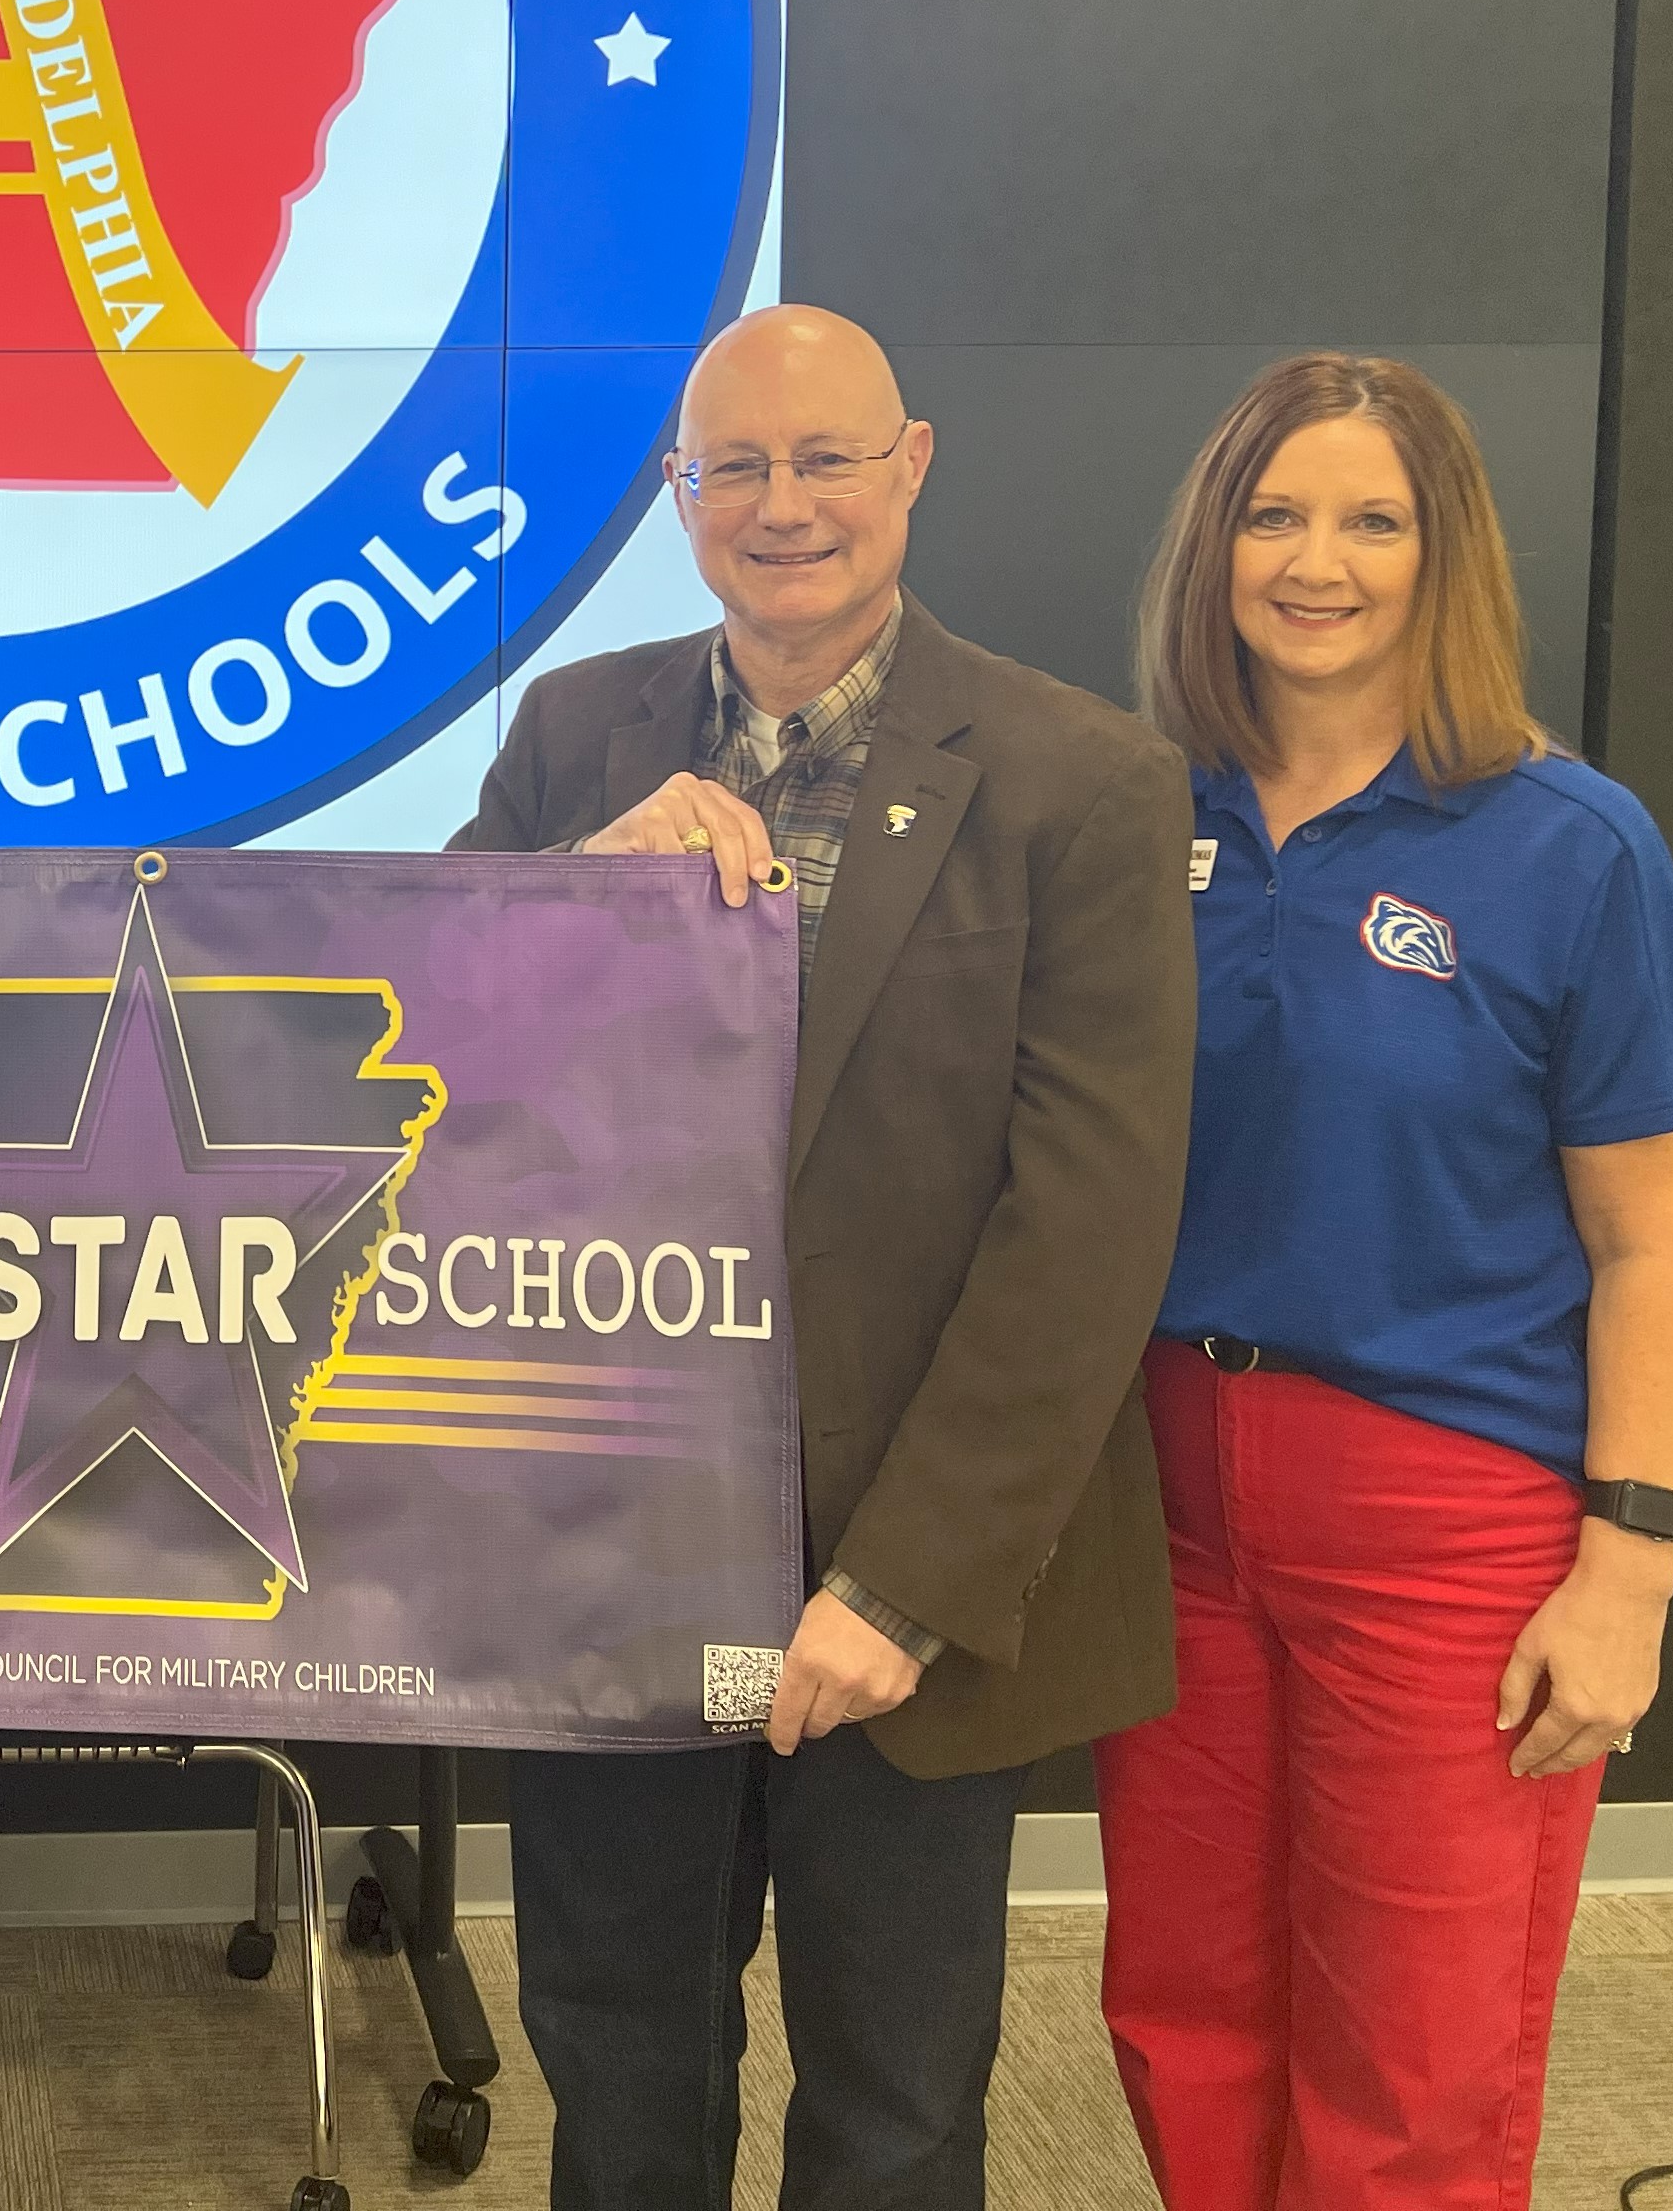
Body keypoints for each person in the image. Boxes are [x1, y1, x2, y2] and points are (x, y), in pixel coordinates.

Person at [452, 302, 1199, 2211]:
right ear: (682, 495)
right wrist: (564, 912)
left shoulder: (1080, 780)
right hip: (617, 1553)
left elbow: (1088, 1225)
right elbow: (427, 1065)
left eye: (828, 460)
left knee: (894, 2095)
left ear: (913, 465)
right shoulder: (572, 734)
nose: (785, 507)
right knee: (617, 2053)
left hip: (912, 1576)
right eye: (738, 469)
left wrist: (909, 1583)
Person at [1094, 354, 1673, 2208]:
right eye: (1275, 514)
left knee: (1415, 2049)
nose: (1318, 560)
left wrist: (1628, 1570)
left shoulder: (1573, 846)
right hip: (1169, 1502)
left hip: (1447, 1512)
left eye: (1372, 519)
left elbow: (1656, 1247)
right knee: (1184, 2005)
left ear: (1441, 555)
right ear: (1214, 547)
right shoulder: (1138, 820)